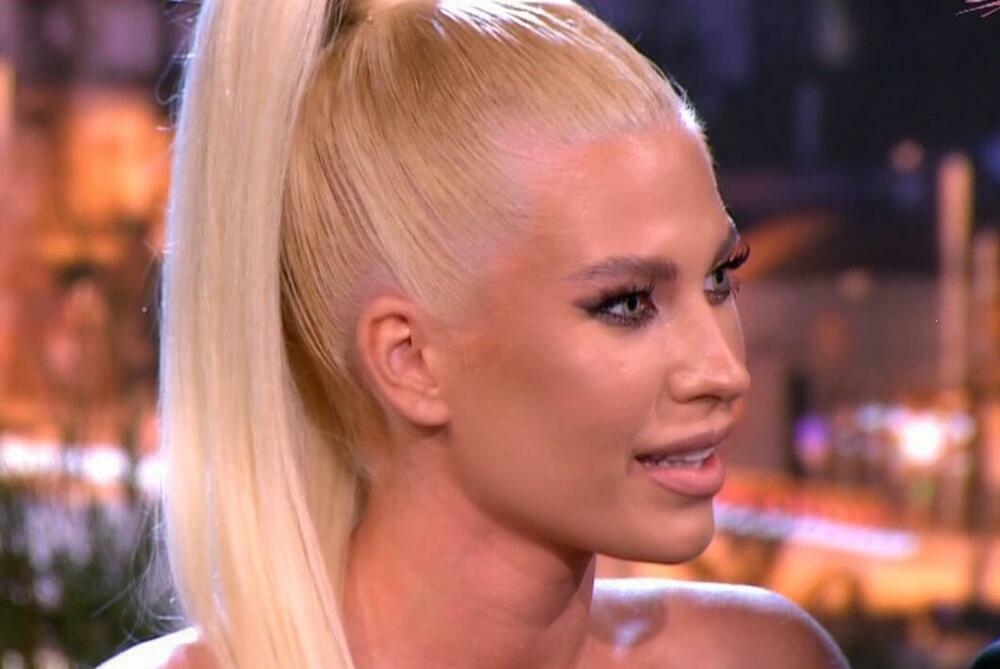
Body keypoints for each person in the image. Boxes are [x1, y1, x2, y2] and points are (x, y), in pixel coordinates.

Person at [100, 0, 850, 667]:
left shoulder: (766, 657)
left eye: (719, 278)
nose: (724, 370)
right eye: (627, 303)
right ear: (411, 360)